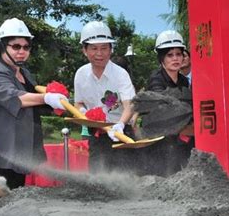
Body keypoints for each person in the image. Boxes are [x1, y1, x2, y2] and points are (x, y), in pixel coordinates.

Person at [0, 18, 66, 190]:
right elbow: (16, 98)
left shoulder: (25, 73)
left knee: (11, 212)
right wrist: (46, 98)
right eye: (15, 46)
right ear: (2, 47)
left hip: (16, 158)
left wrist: (55, 102)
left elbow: (34, 101)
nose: (21, 52)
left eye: (26, 47)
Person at [74, 21, 136, 173]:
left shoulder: (121, 74)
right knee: (97, 179)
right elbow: (78, 102)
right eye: (94, 48)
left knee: (124, 178)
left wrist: (120, 124)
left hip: (121, 135)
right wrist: (82, 112)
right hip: (96, 135)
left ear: (110, 50)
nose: (99, 53)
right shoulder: (81, 75)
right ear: (84, 50)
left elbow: (130, 105)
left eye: (104, 48)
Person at [143, 30, 193, 177]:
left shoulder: (184, 80)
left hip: (179, 138)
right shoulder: (156, 80)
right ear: (161, 58)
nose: (175, 59)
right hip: (159, 141)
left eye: (179, 54)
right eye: (170, 55)